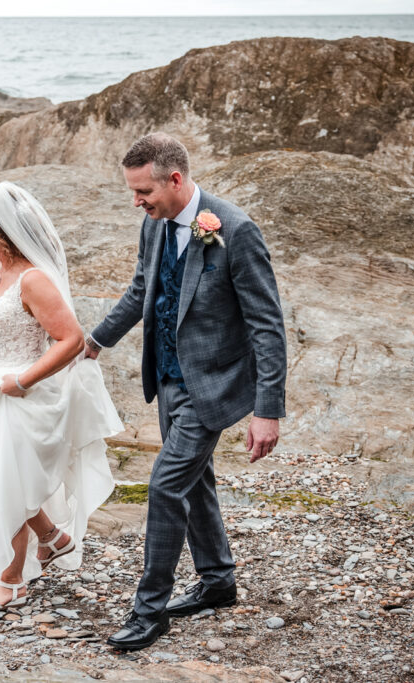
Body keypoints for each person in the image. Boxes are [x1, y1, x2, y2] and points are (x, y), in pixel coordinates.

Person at [85, 133, 287, 650]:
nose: (136, 202)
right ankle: (218, 582)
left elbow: (267, 325)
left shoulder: (235, 230)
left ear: (175, 179)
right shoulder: (153, 225)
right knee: (196, 483)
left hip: (214, 386)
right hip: (169, 380)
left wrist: (267, 410)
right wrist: (95, 341)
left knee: (165, 486)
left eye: (142, 191)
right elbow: (140, 291)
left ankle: (149, 610)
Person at [0, 181, 123, 612]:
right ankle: (53, 537)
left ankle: (12, 580)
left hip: (25, 396)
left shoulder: (34, 279)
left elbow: (70, 339)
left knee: (6, 483)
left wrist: (22, 382)